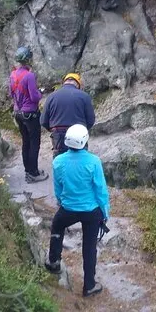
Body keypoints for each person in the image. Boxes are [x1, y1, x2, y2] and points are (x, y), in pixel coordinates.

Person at [44, 123, 109, 298]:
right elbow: (100, 190)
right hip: (91, 211)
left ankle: (54, 261)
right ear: (85, 141)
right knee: (89, 247)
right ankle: (89, 285)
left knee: (57, 226)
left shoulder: (58, 161)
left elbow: (58, 187)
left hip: (68, 208)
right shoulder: (94, 161)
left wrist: (61, 202)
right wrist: (105, 212)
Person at [9, 46, 46, 183]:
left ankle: (27, 171)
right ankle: (34, 173)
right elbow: (35, 97)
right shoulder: (29, 76)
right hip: (30, 114)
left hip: (18, 113)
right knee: (34, 143)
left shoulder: (12, 75)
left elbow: (11, 94)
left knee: (26, 142)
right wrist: (40, 92)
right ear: (28, 59)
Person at [40, 72, 96, 155]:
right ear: (78, 84)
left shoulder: (51, 96)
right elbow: (90, 120)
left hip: (58, 133)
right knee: (80, 159)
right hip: (78, 134)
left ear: (64, 82)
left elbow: (43, 121)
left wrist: (54, 129)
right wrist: (82, 130)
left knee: (60, 161)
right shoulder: (84, 96)